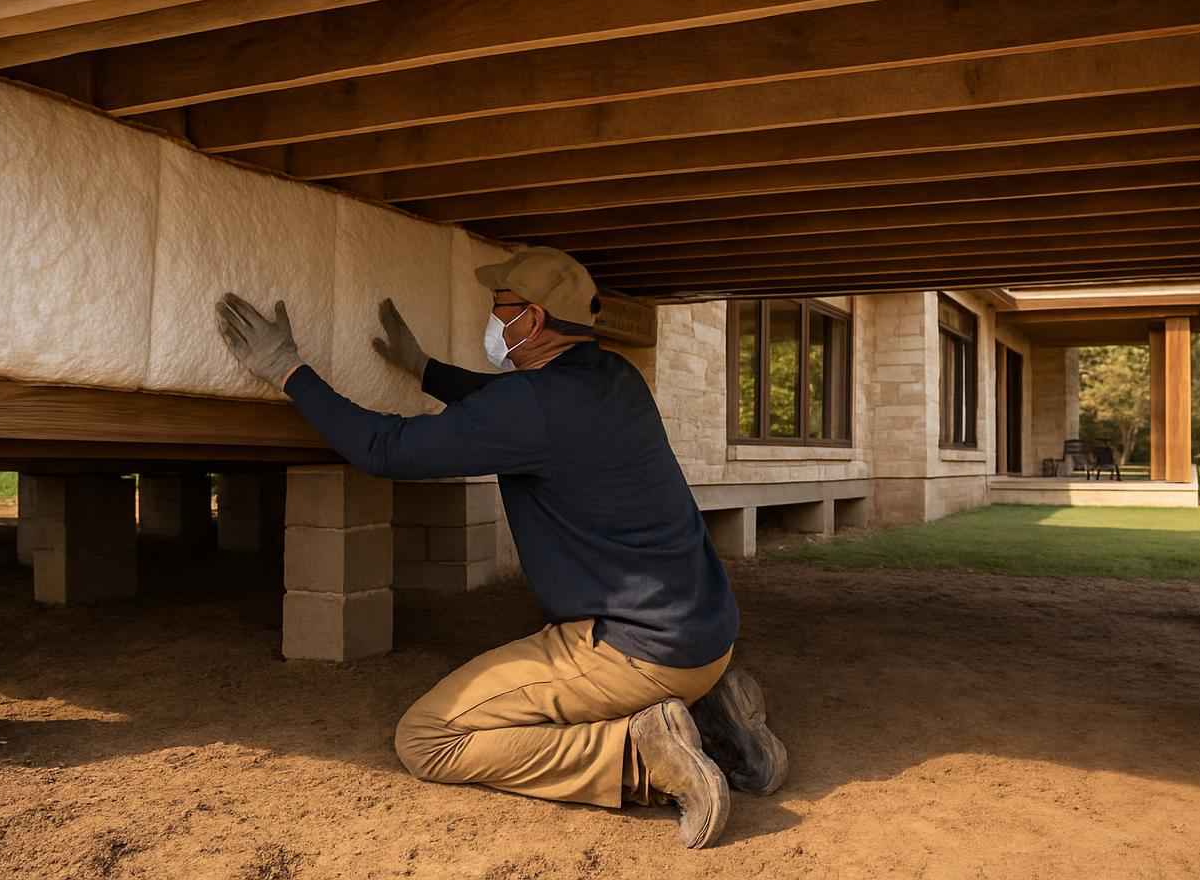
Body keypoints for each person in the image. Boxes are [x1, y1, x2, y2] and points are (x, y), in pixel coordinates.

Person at [215, 246, 787, 848]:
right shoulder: (616, 378)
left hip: (636, 655)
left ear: (531, 320)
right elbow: (504, 405)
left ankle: (640, 758)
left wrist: (288, 370)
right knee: (631, 678)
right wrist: (425, 369)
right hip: (708, 639)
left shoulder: (530, 407)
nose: (491, 318)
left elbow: (385, 448)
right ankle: (711, 714)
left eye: (500, 306)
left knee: (427, 738)